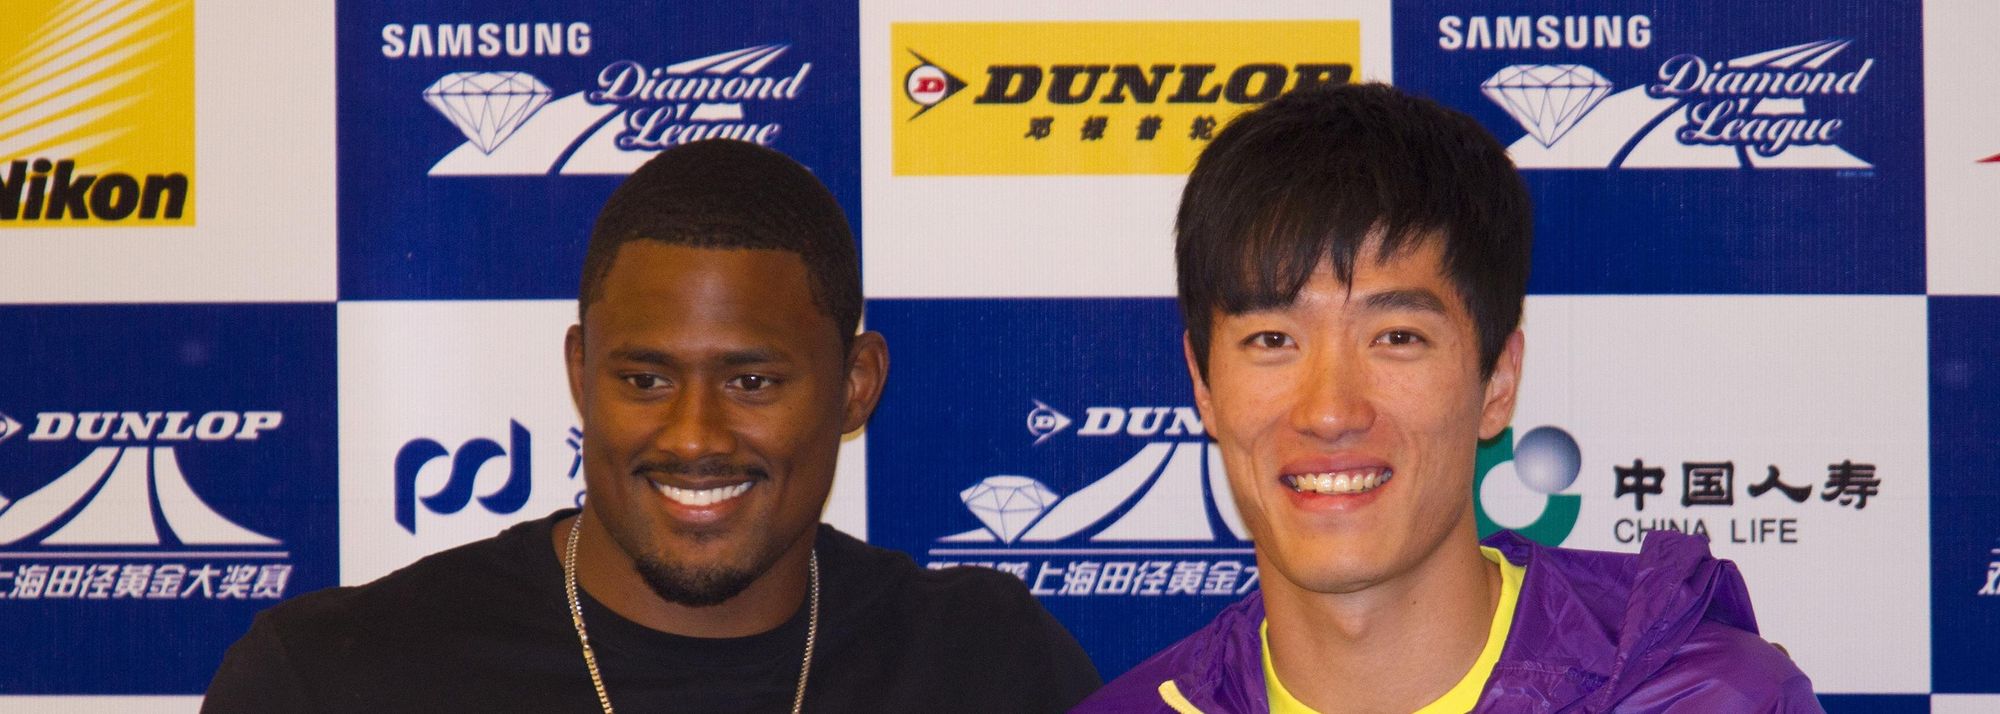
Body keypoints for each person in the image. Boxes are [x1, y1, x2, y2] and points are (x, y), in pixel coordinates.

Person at [204, 140, 1099, 713]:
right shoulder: (331, 680)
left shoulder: (989, 668)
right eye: (644, 379)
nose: (693, 436)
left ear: (856, 386)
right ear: (580, 375)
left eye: (752, 381)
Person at [1073, 84, 1819, 713]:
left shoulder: (1712, 700)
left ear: (1498, 380)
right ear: (1203, 384)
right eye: (1273, 340)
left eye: (1396, 337)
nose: (1328, 412)